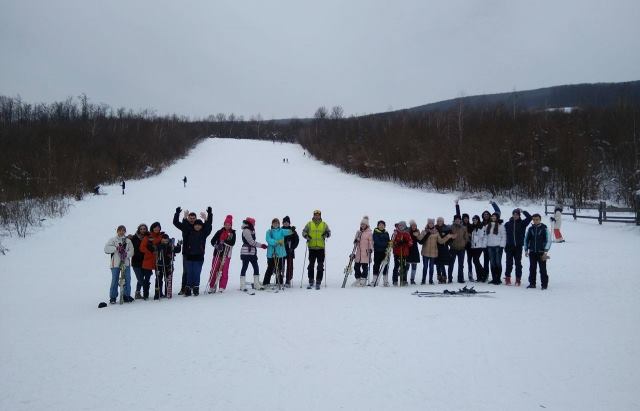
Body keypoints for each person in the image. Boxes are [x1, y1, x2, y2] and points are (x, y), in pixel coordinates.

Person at [182, 207, 213, 296]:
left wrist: (207, 217)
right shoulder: (188, 232)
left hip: (199, 257)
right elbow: (185, 226)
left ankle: (196, 287)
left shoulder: (204, 233)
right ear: (194, 225)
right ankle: (188, 288)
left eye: (199, 225)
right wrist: (184, 218)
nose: (197, 226)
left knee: (196, 272)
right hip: (189, 256)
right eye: (196, 225)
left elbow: (208, 226)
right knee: (189, 273)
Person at [104, 225, 134, 304]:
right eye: (120, 230)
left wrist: (126, 254)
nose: (121, 232)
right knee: (115, 280)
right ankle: (113, 297)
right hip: (116, 263)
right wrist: (116, 248)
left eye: (123, 230)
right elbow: (106, 248)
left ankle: (126, 295)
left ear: (125, 231)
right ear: (117, 231)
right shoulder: (113, 240)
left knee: (127, 279)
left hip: (126, 263)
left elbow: (132, 251)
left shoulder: (128, 241)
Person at [302, 210, 331, 289]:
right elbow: (304, 232)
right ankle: (311, 280)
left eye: (318, 215)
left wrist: (326, 234)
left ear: (320, 216)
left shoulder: (324, 224)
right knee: (311, 265)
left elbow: (329, 232)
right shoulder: (309, 224)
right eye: (315, 215)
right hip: (311, 248)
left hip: (321, 248)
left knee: (320, 265)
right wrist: (306, 236)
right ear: (313, 215)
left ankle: (318, 281)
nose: (317, 216)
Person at [504, 208, 532, 286]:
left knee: (518, 263)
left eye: (517, 215)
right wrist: (505, 245)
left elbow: (530, 217)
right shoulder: (507, 224)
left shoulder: (523, 223)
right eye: (514, 214)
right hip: (509, 246)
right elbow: (504, 235)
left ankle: (518, 279)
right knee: (509, 263)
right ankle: (507, 278)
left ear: (519, 216)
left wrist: (523, 211)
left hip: (518, 247)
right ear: (512, 215)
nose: (515, 216)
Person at [208, 215, 236, 293]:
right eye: (226, 224)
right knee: (214, 270)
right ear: (224, 224)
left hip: (226, 254)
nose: (227, 226)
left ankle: (222, 286)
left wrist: (223, 242)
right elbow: (212, 241)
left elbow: (232, 242)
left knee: (224, 270)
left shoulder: (233, 233)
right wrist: (217, 246)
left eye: (229, 224)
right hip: (217, 253)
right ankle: (212, 285)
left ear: (231, 225)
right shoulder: (219, 232)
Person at [173, 208, 197, 295]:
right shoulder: (185, 226)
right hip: (186, 252)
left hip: (197, 252)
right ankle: (183, 288)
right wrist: (177, 213)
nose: (192, 219)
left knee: (194, 271)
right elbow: (175, 223)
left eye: (194, 218)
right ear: (188, 218)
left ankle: (193, 287)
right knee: (186, 271)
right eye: (190, 218)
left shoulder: (198, 226)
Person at [263, 218, 293, 288]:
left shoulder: (281, 231)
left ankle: (279, 282)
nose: (275, 224)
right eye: (274, 223)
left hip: (280, 253)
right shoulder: (269, 232)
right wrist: (277, 242)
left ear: (279, 224)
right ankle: (266, 282)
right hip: (271, 253)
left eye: (277, 223)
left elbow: (288, 232)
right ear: (272, 224)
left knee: (279, 269)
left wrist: (292, 230)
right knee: (270, 268)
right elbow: (268, 240)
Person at [239, 217, 267, 291]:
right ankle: (242, 285)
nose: (254, 224)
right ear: (250, 223)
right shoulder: (246, 230)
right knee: (245, 267)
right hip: (246, 252)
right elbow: (251, 242)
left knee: (256, 266)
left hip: (252, 252)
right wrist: (261, 245)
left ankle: (256, 283)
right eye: (254, 223)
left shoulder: (251, 230)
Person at [525, 214, 551, 289]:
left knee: (542, 269)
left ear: (540, 220)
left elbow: (548, 240)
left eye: (537, 219)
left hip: (541, 252)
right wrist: (526, 249)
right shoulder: (530, 229)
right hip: (532, 252)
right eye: (534, 220)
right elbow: (526, 239)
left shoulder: (544, 228)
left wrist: (545, 251)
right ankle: (532, 283)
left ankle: (544, 284)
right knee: (532, 268)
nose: (535, 221)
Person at [140, 222, 164, 300]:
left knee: (159, 277)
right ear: (152, 228)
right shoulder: (148, 237)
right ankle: (145, 294)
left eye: (158, 227)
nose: (157, 229)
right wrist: (150, 252)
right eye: (155, 227)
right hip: (148, 260)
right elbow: (142, 247)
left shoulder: (162, 236)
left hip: (158, 259)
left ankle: (158, 293)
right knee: (147, 278)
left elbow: (165, 244)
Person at [155, 234, 182, 298]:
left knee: (168, 279)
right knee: (158, 279)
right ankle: (158, 293)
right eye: (163, 240)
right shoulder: (158, 245)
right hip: (159, 265)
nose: (165, 242)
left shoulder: (170, 245)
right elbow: (152, 248)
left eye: (166, 240)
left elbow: (177, 250)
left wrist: (179, 245)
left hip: (168, 265)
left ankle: (168, 292)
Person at [352, 216, 374, 286]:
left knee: (365, 267)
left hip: (366, 253)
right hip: (358, 253)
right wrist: (355, 240)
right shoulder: (358, 232)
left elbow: (371, 242)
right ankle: (358, 279)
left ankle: (363, 279)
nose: (362, 225)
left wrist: (371, 249)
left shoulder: (369, 233)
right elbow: (355, 242)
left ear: (367, 225)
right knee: (356, 267)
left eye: (364, 224)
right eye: (361, 224)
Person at [128, 223, 148, 299]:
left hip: (145, 261)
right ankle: (146, 288)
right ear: (139, 229)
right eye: (141, 229)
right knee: (140, 278)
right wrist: (127, 237)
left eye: (144, 229)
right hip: (136, 261)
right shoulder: (134, 238)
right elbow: (126, 242)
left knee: (141, 277)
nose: (143, 230)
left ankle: (137, 293)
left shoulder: (148, 237)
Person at [485, 213, 506, 284]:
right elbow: (485, 236)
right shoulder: (488, 226)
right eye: (492, 216)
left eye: (495, 216)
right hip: (490, 246)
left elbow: (504, 236)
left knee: (498, 263)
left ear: (497, 218)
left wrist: (501, 246)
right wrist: (485, 245)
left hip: (498, 247)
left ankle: (498, 279)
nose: (493, 217)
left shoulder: (501, 226)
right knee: (492, 263)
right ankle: (494, 278)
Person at [450, 215, 470, 283]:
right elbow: (448, 237)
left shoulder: (464, 228)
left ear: (460, 220)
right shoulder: (451, 227)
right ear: (454, 220)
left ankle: (460, 278)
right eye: (456, 219)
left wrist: (464, 243)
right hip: (453, 248)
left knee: (461, 264)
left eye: (459, 219)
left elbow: (466, 237)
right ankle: (450, 278)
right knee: (451, 263)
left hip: (461, 249)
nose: (457, 220)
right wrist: (451, 244)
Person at [392, 221, 413, 286]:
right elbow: (392, 242)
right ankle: (395, 280)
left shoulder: (407, 233)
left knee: (404, 266)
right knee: (396, 266)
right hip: (397, 252)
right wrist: (396, 243)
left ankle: (404, 280)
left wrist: (405, 243)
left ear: (404, 226)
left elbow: (410, 243)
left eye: (402, 226)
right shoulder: (395, 233)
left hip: (404, 252)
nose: (401, 227)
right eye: (400, 226)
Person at [418, 219, 438, 284]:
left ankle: (430, 280)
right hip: (425, 252)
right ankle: (423, 280)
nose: (431, 224)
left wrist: (448, 237)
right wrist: (417, 235)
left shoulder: (436, 232)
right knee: (425, 267)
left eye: (432, 223)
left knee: (431, 267)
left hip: (433, 253)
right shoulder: (424, 231)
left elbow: (440, 241)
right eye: (429, 223)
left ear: (433, 224)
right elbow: (419, 239)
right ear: (428, 224)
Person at [371, 220, 391, 287]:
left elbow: (388, 241)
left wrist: (390, 244)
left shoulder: (386, 233)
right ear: (378, 226)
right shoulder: (375, 232)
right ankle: (374, 280)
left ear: (384, 226)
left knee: (385, 266)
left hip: (385, 252)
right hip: (378, 252)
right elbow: (377, 242)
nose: (381, 226)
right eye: (380, 225)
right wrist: (386, 244)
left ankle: (385, 281)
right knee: (376, 265)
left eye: (382, 225)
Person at [435, 217, 454, 284]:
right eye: (438, 221)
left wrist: (447, 241)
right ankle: (439, 277)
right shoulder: (435, 228)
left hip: (444, 248)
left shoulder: (447, 228)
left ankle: (444, 277)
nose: (439, 222)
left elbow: (451, 238)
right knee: (437, 263)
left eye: (440, 221)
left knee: (442, 263)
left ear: (443, 221)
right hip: (436, 248)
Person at [282, 216, 300, 287]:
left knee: (290, 266)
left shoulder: (292, 230)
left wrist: (293, 247)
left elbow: (297, 240)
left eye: (287, 222)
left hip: (290, 250)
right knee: (281, 265)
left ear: (289, 223)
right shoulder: (280, 230)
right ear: (283, 223)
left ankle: (288, 280)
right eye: (285, 222)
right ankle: (279, 279)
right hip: (281, 250)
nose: (286, 223)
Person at [469, 215, 487, 282]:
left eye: (475, 219)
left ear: (478, 220)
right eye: (473, 219)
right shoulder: (473, 227)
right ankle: (479, 277)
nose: (474, 221)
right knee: (476, 261)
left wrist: (483, 245)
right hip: (473, 246)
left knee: (475, 260)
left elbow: (482, 236)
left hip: (479, 246)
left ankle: (484, 274)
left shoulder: (481, 226)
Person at [407, 220, 421, 284]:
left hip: (415, 250)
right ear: (411, 226)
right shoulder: (408, 232)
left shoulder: (417, 232)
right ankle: (405, 279)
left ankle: (412, 279)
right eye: (413, 225)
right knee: (407, 266)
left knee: (414, 266)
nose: (414, 227)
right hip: (408, 250)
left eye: (415, 226)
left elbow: (420, 241)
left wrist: (418, 235)